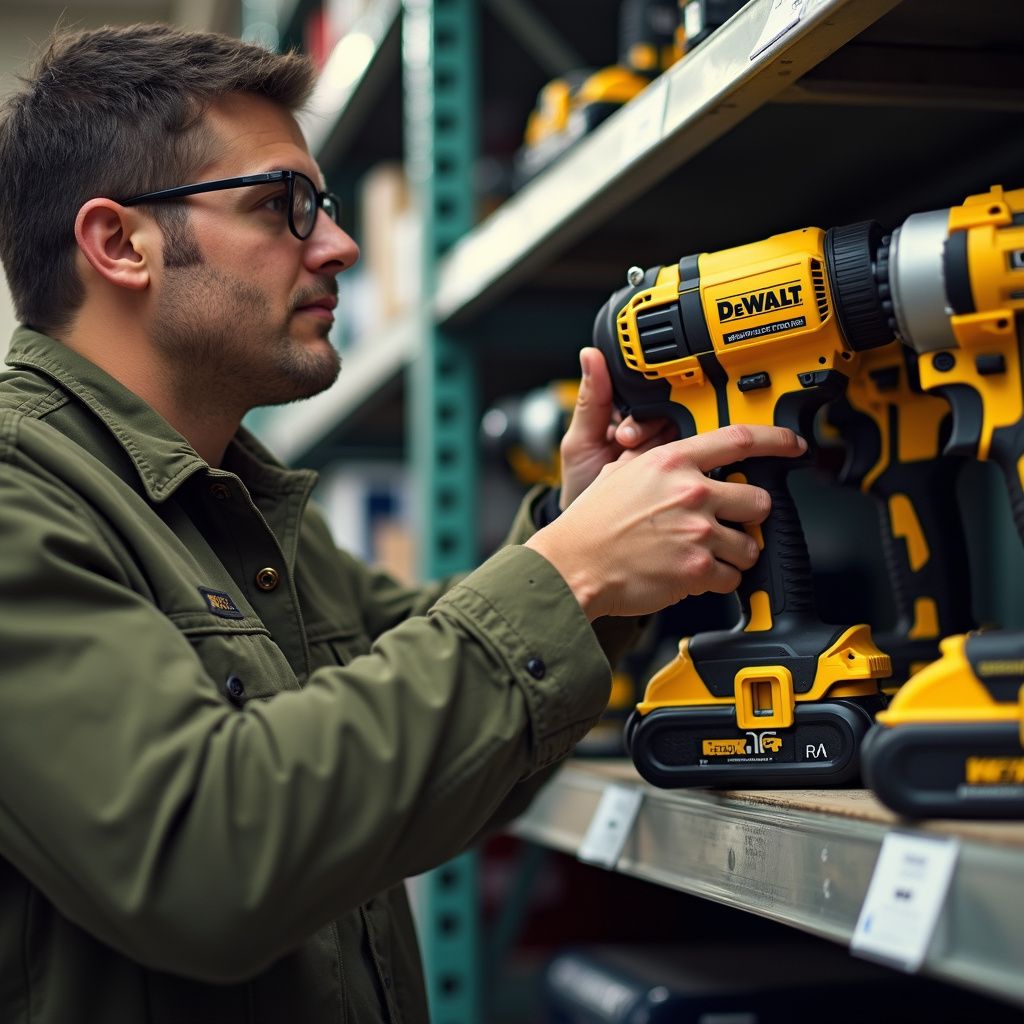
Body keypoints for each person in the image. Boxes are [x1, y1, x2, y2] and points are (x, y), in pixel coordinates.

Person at [0, 22, 806, 1024]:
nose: (336, 244)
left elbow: (433, 726)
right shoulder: (20, 496)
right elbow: (201, 855)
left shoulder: (235, 507)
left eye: (326, 207)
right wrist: (567, 574)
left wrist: (582, 532)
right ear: (120, 243)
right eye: (280, 205)